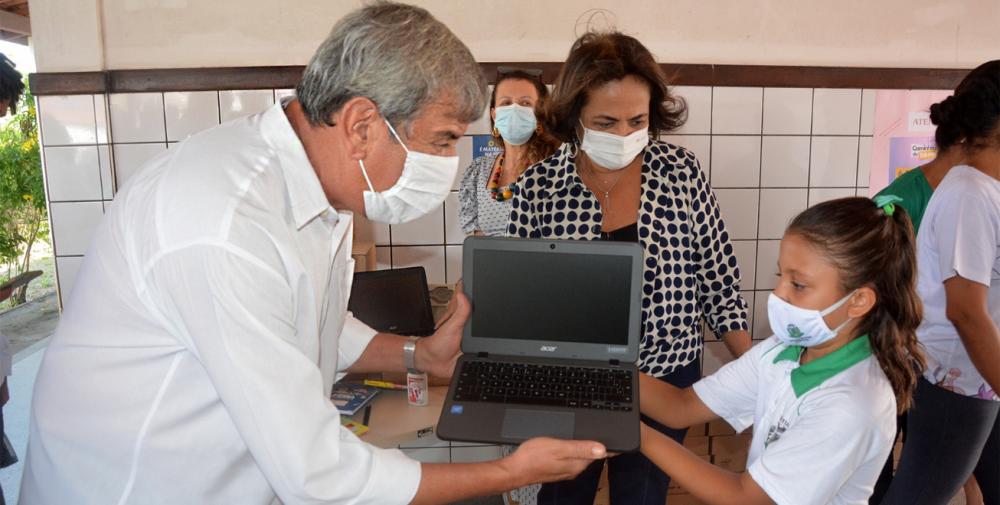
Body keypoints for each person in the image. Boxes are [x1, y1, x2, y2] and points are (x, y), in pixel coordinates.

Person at [19, 3, 606, 504]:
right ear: (360, 125)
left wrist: (420, 355)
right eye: (441, 140)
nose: (449, 163)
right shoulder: (224, 221)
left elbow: (307, 320)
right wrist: (510, 472)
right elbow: (317, 473)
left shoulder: (306, 189)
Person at [508, 32, 752, 505]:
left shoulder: (679, 173)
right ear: (575, 115)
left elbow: (718, 280)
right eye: (606, 121)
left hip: (666, 376)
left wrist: (759, 370)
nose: (623, 135)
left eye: (637, 120)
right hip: (572, 383)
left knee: (642, 496)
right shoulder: (538, 189)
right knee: (562, 496)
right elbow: (524, 304)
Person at [638, 196, 925, 505]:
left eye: (798, 285)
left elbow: (746, 497)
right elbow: (681, 406)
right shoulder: (783, 351)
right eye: (780, 276)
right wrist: (593, 372)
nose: (778, 294)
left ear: (859, 301)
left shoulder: (853, 404)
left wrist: (634, 434)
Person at [870, 60, 1000, 505]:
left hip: (982, 376)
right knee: (919, 495)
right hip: (959, 380)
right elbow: (966, 310)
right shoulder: (970, 193)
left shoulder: (986, 187)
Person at [459, 67, 560, 237]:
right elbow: (476, 242)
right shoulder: (478, 171)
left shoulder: (558, 170)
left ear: (540, 116)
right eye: (506, 103)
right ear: (494, 115)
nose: (514, 109)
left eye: (525, 103)